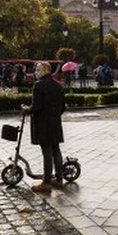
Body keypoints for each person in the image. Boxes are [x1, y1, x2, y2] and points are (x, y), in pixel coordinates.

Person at [26, 62, 66, 193]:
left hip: (43, 124)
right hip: (55, 122)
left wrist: (26, 110)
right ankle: (59, 179)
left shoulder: (39, 85)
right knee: (56, 150)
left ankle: (46, 182)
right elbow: (63, 108)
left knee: (47, 152)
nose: (36, 72)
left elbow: (36, 106)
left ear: (44, 70)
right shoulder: (58, 86)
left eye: (37, 69)